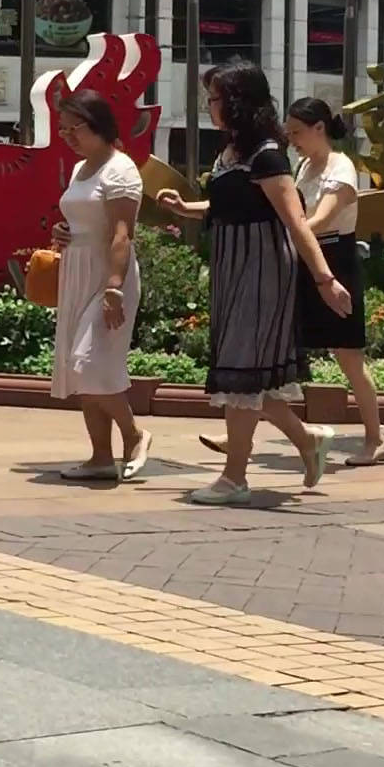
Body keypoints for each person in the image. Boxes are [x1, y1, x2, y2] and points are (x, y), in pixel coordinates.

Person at [158, 62, 351, 506]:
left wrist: (325, 279)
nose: (210, 106)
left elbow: (295, 222)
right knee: (245, 375)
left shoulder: (267, 156)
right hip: (233, 268)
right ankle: (307, 440)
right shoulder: (232, 153)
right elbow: (232, 205)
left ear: (238, 103)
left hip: (262, 270)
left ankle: (234, 479)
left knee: (241, 373)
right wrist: (186, 208)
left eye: (216, 99)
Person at [196, 97, 384, 469]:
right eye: (289, 133)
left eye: (298, 132)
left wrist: (280, 233)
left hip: (333, 261)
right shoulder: (301, 167)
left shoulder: (342, 168)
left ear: (320, 128)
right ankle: (241, 431)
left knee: (348, 357)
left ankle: (375, 438)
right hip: (300, 260)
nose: (292, 140)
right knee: (268, 352)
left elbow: (316, 221)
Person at [51, 90, 152, 482]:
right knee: (83, 370)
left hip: (109, 275)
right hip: (76, 271)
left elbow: (122, 234)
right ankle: (100, 457)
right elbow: (82, 219)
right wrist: (64, 232)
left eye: (74, 128)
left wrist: (113, 287)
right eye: (63, 130)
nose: (68, 137)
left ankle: (134, 434)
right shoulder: (81, 168)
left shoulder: (120, 169)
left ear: (98, 125)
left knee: (89, 362)